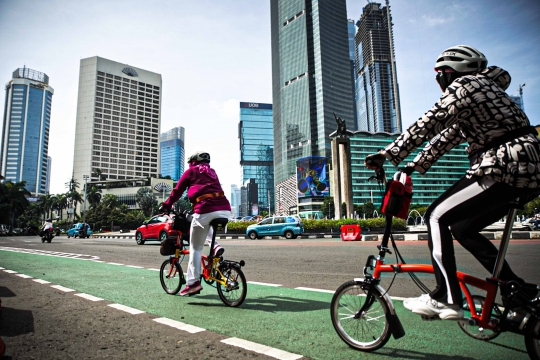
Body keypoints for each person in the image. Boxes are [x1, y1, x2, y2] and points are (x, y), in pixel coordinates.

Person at [366, 45, 540, 320]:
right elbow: (446, 137)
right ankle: (516, 291)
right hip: (528, 171)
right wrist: (413, 165)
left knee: (436, 216)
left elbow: (431, 121)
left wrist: (388, 153)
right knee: (462, 227)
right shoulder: (485, 93)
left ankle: (447, 297)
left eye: (439, 77)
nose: (439, 84)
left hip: (505, 164)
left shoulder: (467, 85)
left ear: (450, 73)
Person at [160, 151, 231, 296]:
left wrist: (166, 205)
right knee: (201, 222)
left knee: (195, 248)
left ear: (193, 161)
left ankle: (193, 283)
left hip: (205, 208)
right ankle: (216, 247)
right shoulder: (212, 172)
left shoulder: (190, 172)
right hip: (224, 209)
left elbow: (177, 191)